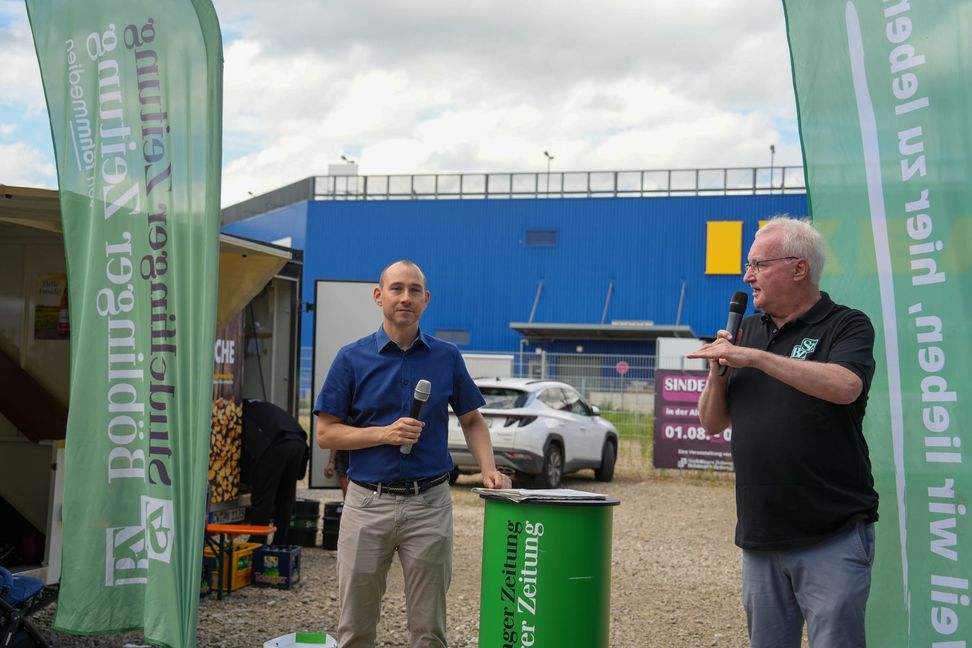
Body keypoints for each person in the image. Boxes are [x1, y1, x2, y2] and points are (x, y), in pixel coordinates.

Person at [688, 216, 878, 648]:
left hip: (831, 533)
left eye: (758, 264)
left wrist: (754, 358)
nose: (746, 275)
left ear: (798, 268)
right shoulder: (747, 331)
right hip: (761, 535)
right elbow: (713, 423)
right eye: (747, 264)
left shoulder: (845, 325)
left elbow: (846, 386)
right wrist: (718, 372)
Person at [314, 259, 511, 648]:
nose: (405, 298)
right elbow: (325, 433)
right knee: (355, 626)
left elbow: (472, 420)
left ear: (426, 299)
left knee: (429, 629)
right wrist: (383, 434)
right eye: (396, 289)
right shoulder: (350, 359)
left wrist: (489, 469)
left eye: (414, 291)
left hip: (430, 505)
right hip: (367, 504)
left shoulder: (446, 356)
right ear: (378, 296)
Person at [241, 399, 310, 546]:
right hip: (299, 440)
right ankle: (280, 543)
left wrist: (246, 479)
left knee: (263, 497)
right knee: (286, 496)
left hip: (277, 443)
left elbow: (246, 450)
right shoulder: (257, 406)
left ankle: (257, 542)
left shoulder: (239, 413)